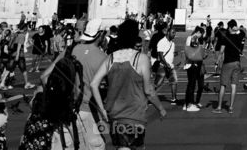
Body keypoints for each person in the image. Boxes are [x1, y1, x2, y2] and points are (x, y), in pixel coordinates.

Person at [91, 18, 167, 149]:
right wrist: (160, 108)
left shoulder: (110, 57)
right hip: (134, 115)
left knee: (122, 146)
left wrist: (102, 109)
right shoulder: (141, 58)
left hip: (114, 115)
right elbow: (148, 90)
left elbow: (93, 84)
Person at [41, 17, 106, 150]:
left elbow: (44, 77)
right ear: (100, 35)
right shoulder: (104, 58)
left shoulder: (70, 50)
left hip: (63, 111)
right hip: (87, 111)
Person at [214, 19, 244, 114]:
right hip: (237, 63)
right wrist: (237, 28)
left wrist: (217, 61)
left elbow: (221, 51)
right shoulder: (239, 36)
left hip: (228, 63)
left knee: (223, 85)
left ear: (230, 27)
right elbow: (243, 32)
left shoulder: (225, 37)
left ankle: (219, 107)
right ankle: (231, 107)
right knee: (234, 85)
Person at [183, 25, 207, 111]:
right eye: (202, 33)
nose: (202, 36)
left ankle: (186, 104)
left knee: (190, 84)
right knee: (192, 85)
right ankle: (190, 104)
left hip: (189, 64)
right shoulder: (194, 38)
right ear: (198, 32)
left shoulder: (189, 38)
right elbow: (194, 51)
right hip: (192, 64)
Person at [155, 26, 180, 105]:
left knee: (174, 81)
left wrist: (174, 54)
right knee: (158, 83)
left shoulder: (172, 43)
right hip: (163, 66)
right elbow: (161, 56)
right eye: (173, 32)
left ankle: (174, 98)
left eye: (175, 33)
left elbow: (169, 54)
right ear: (168, 32)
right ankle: (149, 97)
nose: (174, 34)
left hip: (170, 66)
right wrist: (166, 64)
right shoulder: (162, 42)